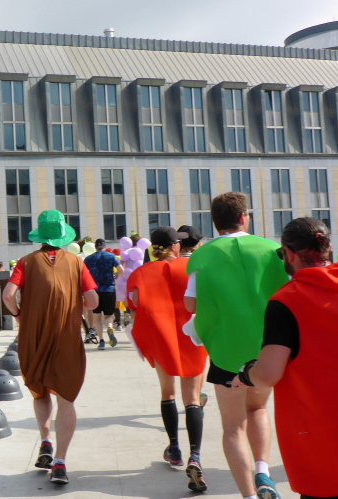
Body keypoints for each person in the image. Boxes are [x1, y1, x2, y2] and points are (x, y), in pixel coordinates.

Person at [184, 192, 288, 499]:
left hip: (226, 349)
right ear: (244, 217)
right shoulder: (271, 249)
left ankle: (248, 495)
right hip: (265, 348)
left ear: (215, 222)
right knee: (258, 408)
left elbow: (190, 303)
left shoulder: (203, 255)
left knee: (232, 428)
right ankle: (263, 470)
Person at [233, 218, 336, 499]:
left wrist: (246, 373)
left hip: (321, 439)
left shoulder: (288, 300)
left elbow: (268, 374)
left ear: (289, 254)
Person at [3, 210, 98, 485]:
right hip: (66, 336)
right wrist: (75, 301)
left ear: (41, 236)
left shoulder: (25, 262)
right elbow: (93, 302)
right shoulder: (77, 263)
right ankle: (60, 462)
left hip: (33, 336)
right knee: (66, 398)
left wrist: (19, 314)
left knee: (40, 390)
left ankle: (45, 440)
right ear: (63, 236)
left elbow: (8, 295)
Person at [126, 227, 208, 492]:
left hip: (162, 338)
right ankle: (195, 455)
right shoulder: (191, 267)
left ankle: (174, 447)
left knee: (167, 393)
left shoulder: (141, 272)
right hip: (192, 336)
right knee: (192, 398)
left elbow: (134, 304)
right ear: (175, 246)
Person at [84, 238, 123, 350]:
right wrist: (115, 275)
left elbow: (83, 274)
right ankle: (110, 327)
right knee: (109, 315)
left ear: (95, 247)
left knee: (97, 317)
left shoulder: (89, 258)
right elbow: (121, 271)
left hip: (95, 290)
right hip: (109, 289)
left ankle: (101, 341)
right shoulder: (111, 256)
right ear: (105, 246)